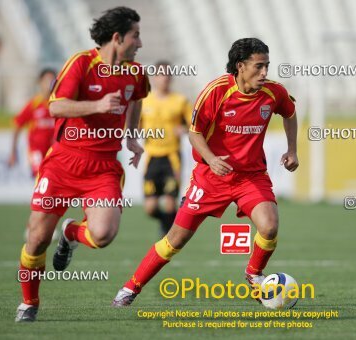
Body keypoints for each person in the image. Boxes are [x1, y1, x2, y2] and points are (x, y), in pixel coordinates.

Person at [112, 37, 299, 306]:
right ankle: (130, 288)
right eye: (259, 66)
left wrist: (292, 151)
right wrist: (211, 159)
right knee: (174, 240)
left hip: (250, 176)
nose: (264, 72)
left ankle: (254, 275)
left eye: (267, 66)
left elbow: (290, 113)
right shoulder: (216, 91)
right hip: (210, 177)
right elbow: (194, 132)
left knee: (269, 227)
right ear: (240, 66)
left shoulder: (273, 92)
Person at [15, 6, 149, 322]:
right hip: (63, 162)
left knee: (103, 234)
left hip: (103, 167)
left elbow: (137, 97)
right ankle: (29, 303)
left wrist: (131, 136)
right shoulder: (81, 64)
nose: (140, 44)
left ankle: (71, 233)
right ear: (117, 38)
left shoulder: (135, 73)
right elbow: (56, 106)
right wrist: (97, 105)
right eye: (135, 36)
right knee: (36, 240)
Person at [141, 61, 192, 236]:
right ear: (154, 78)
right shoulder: (144, 101)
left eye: (167, 75)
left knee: (170, 202)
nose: (164, 79)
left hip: (172, 158)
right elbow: (134, 126)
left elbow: (195, 125)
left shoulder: (180, 101)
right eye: (161, 75)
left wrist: (184, 129)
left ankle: (169, 237)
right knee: (150, 208)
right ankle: (165, 222)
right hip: (152, 158)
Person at [8, 69, 56, 177]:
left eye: (52, 80)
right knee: (40, 177)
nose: (49, 83)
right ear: (40, 82)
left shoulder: (59, 104)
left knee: (52, 179)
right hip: (36, 151)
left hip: (54, 151)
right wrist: (13, 152)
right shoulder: (34, 104)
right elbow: (17, 125)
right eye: (47, 80)